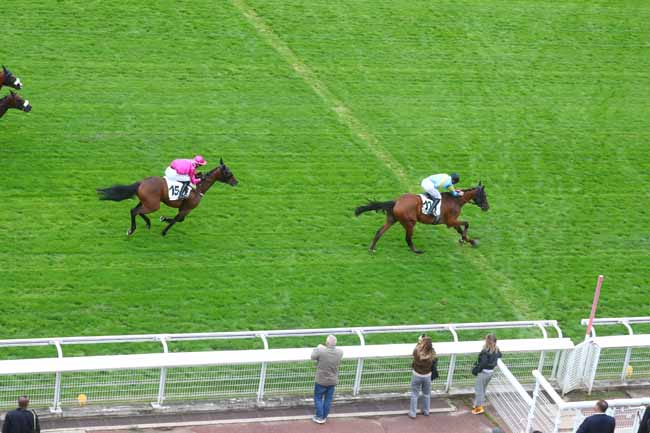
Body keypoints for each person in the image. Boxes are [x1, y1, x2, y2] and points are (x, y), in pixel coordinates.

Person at [311, 335, 343, 424]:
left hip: (321, 381)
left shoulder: (321, 351)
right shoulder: (340, 352)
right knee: (328, 400)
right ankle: (324, 416)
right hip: (332, 381)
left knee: (318, 398)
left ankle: (319, 417)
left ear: (327, 343)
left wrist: (317, 347)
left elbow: (312, 357)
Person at [472, 334, 502, 415]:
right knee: (483, 389)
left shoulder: (486, 351)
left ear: (487, 341)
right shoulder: (497, 350)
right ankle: (478, 404)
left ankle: (479, 407)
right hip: (490, 373)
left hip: (483, 373)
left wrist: (476, 370)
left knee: (479, 390)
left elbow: (483, 363)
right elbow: (499, 356)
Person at [409, 334, 437, 418]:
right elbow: (432, 351)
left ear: (422, 344)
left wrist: (418, 342)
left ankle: (413, 413)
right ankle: (426, 411)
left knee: (414, 394)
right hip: (427, 376)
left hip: (416, 375)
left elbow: (415, 351)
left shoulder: (417, 352)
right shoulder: (432, 353)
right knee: (426, 394)